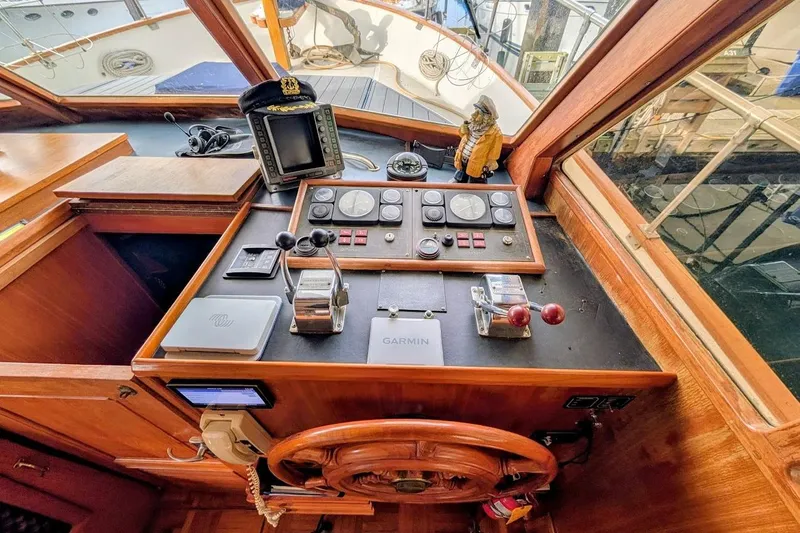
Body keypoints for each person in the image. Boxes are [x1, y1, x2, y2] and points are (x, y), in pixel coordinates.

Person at [451, 95, 502, 184]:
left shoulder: (495, 133)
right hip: (463, 159)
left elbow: (494, 154)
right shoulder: (472, 124)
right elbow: (463, 136)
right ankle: (459, 179)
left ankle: (475, 186)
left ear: (487, 116)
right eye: (475, 110)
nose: (473, 115)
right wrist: (463, 130)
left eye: (478, 113)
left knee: (475, 180)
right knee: (461, 173)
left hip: (478, 164)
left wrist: (488, 165)